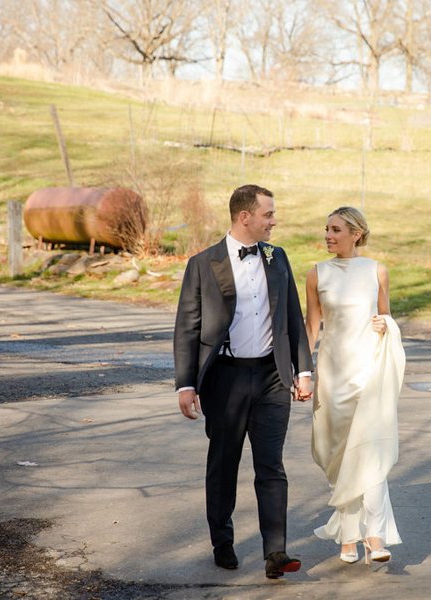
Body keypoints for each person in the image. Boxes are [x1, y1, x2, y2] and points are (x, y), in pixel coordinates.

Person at [173, 184, 313, 579]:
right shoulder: (203, 263)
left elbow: (292, 317)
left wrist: (303, 370)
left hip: (271, 377)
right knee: (224, 463)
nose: (274, 221)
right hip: (225, 379)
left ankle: (276, 552)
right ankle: (223, 541)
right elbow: (187, 326)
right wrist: (186, 384)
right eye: (268, 214)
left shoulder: (277, 257)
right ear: (244, 217)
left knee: (271, 465)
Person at [304, 206, 406, 565]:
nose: (328, 235)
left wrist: (384, 326)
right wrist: (302, 372)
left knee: (370, 452)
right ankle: (348, 536)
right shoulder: (316, 274)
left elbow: (386, 317)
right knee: (339, 456)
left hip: (368, 373)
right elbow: (312, 327)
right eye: (327, 229)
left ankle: (375, 537)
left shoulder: (377, 271)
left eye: (336, 229)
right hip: (333, 375)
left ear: (356, 234)